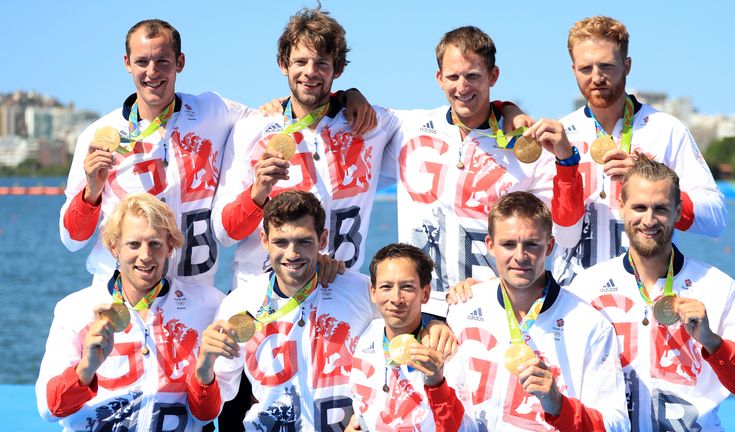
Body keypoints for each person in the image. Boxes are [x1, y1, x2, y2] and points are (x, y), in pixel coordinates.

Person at [189, 191, 456, 430]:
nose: (292, 254)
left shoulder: (359, 289)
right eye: (281, 242)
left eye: (304, 242)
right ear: (264, 240)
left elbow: (404, 313)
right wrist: (205, 364)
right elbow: (205, 413)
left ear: (323, 238)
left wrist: (434, 323)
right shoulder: (239, 303)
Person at [383, 26, 585, 317]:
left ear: (493, 76)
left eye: (473, 76)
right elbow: (335, 109)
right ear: (439, 78)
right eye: (453, 77)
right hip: (419, 310)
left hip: (488, 309)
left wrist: (566, 162)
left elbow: (567, 235)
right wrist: (349, 95)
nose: (462, 87)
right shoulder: (406, 128)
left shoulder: (526, 146)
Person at [567, 155, 735, 431]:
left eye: (660, 209)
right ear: (621, 207)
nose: (649, 220)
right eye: (639, 207)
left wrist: (712, 343)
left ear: (678, 211)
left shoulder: (718, 287)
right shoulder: (585, 288)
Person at [211, 6, 401, 290]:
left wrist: (350, 95)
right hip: (262, 297)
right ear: (283, 64)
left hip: (339, 294)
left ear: (338, 69)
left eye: (322, 63)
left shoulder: (370, 124)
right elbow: (223, 234)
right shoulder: (252, 130)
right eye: (300, 61)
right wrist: (257, 193)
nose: (310, 72)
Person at [59, 19, 257, 289]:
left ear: (180, 62)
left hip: (195, 295)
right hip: (121, 296)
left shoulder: (213, 110)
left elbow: (264, 123)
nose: (152, 72)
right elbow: (72, 239)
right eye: (142, 62)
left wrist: (284, 106)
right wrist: (91, 193)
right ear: (127, 63)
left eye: (162, 61)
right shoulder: (98, 135)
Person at [553, 15, 727, 285]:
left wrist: (647, 181)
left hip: (643, 292)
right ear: (573, 70)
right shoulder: (560, 135)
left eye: (607, 66)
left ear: (627, 66)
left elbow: (716, 219)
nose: (597, 77)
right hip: (575, 293)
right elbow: (561, 235)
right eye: (586, 68)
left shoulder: (666, 129)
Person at [36, 192, 224, 431]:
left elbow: (206, 416)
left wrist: (204, 370)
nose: (145, 256)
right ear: (114, 247)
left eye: (155, 243)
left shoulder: (209, 305)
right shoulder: (74, 309)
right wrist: (86, 368)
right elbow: (49, 409)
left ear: (169, 246)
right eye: (134, 244)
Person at [445, 191, 629, 431]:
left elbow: (617, 425)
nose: (520, 256)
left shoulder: (590, 325)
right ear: (490, 245)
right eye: (508, 244)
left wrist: (560, 406)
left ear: (549, 246)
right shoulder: (462, 307)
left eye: (531, 244)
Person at [349, 243, 475, 431]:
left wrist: (437, 383)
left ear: (425, 294)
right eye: (386, 287)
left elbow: (462, 428)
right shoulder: (366, 335)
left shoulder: (445, 352)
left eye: (407, 287)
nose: (396, 298)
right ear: (373, 293)